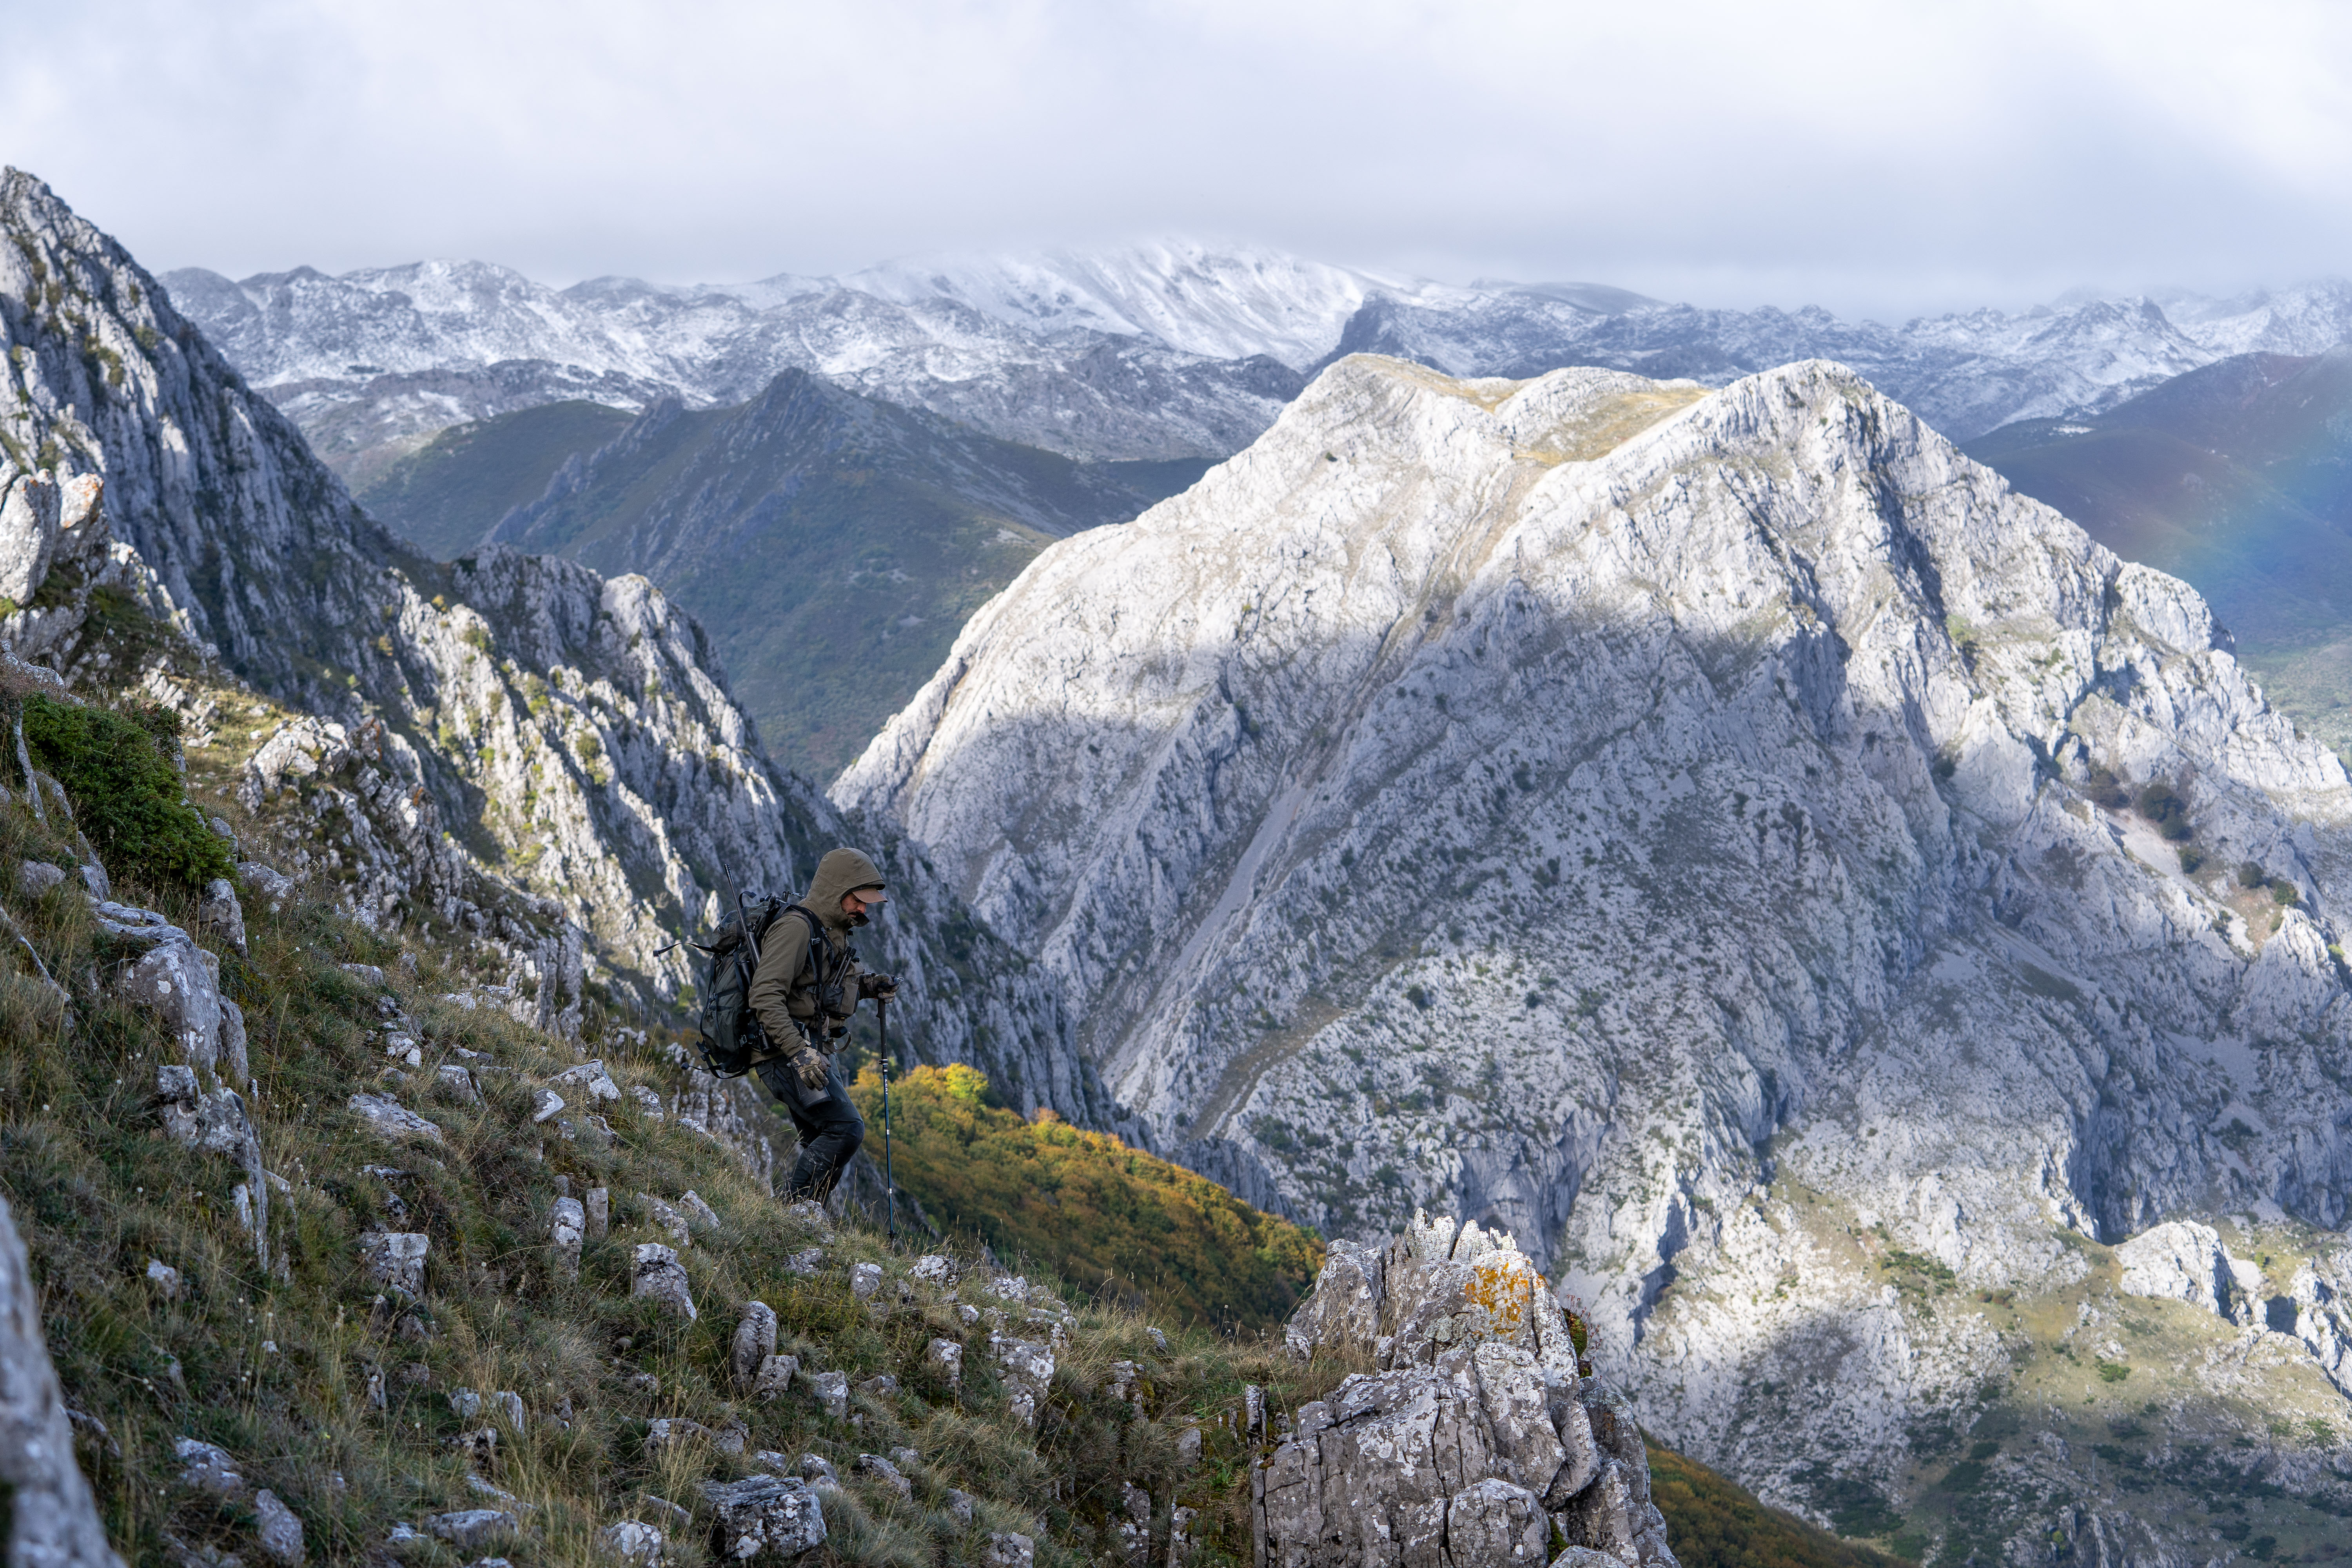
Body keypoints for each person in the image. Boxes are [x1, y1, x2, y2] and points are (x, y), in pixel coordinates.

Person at [746, 847, 898, 1202]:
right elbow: (765, 995)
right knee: (845, 1129)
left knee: (823, 1139)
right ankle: (791, 1217)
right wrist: (800, 1053)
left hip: (807, 1049)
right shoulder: (796, 929)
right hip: (784, 1051)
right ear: (836, 891)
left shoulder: (831, 930)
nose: (863, 909)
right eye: (858, 900)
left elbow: (820, 990)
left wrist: (870, 986)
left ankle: (804, 1223)